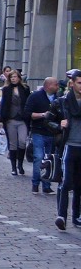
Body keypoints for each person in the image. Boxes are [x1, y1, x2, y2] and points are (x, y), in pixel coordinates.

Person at [50, 70, 81, 230]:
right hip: (69, 145)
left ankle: (77, 216)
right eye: (79, 83)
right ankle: (61, 215)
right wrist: (58, 125)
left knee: (79, 184)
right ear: (73, 83)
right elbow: (48, 119)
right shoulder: (63, 101)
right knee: (66, 181)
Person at [24, 76, 59, 194]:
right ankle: (35, 183)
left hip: (52, 132)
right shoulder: (35, 96)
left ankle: (46, 185)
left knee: (49, 159)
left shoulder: (58, 98)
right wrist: (43, 115)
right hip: (38, 130)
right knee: (39, 157)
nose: (58, 87)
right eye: (56, 84)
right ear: (49, 86)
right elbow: (28, 113)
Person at [0, 69, 31, 176]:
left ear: (19, 78)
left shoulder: (25, 88)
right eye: (11, 77)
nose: (13, 79)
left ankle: (20, 164)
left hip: (22, 119)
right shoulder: (6, 89)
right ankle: (13, 167)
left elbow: (28, 102)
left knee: (22, 141)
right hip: (10, 119)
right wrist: (1, 120)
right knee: (13, 144)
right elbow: (3, 104)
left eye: (15, 77)